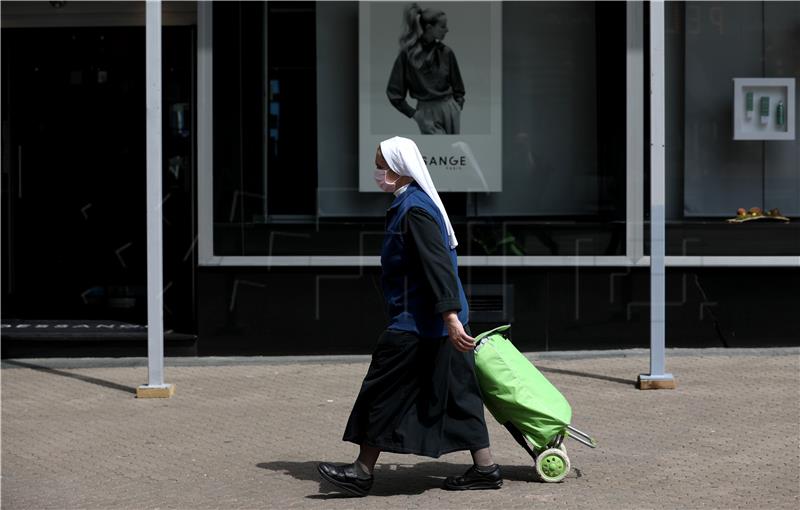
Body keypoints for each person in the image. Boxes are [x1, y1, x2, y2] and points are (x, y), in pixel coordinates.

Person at [317, 137, 502, 497]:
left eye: (381, 165)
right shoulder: (411, 204)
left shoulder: (414, 210)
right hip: (436, 322)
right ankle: (486, 469)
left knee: (382, 391)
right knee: (459, 395)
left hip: (420, 323)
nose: (378, 172)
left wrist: (449, 318)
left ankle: (360, 472)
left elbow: (437, 265)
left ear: (399, 168)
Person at [386, 3, 465, 135]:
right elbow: (394, 93)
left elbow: (458, 86)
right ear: (429, 27)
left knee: (451, 151)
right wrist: (415, 114)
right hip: (426, 111)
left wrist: (457, 105)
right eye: (443, 26)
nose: (447, 30)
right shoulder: (407, 55)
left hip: (450, 107)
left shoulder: (446, 52)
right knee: (438, 150)